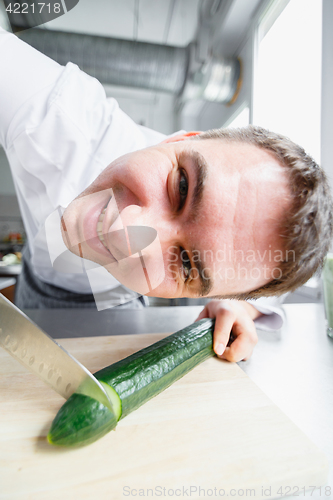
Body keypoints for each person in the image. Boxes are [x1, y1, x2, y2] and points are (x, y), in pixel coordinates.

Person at [0, 27, 332, 363]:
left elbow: (265, 279)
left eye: (186, 263)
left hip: (119, 309)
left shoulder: (254, 258)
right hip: (36, 280)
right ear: (179, 138)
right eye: (182, 187)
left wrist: (238, 303)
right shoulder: (59, 118)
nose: (125, 232)